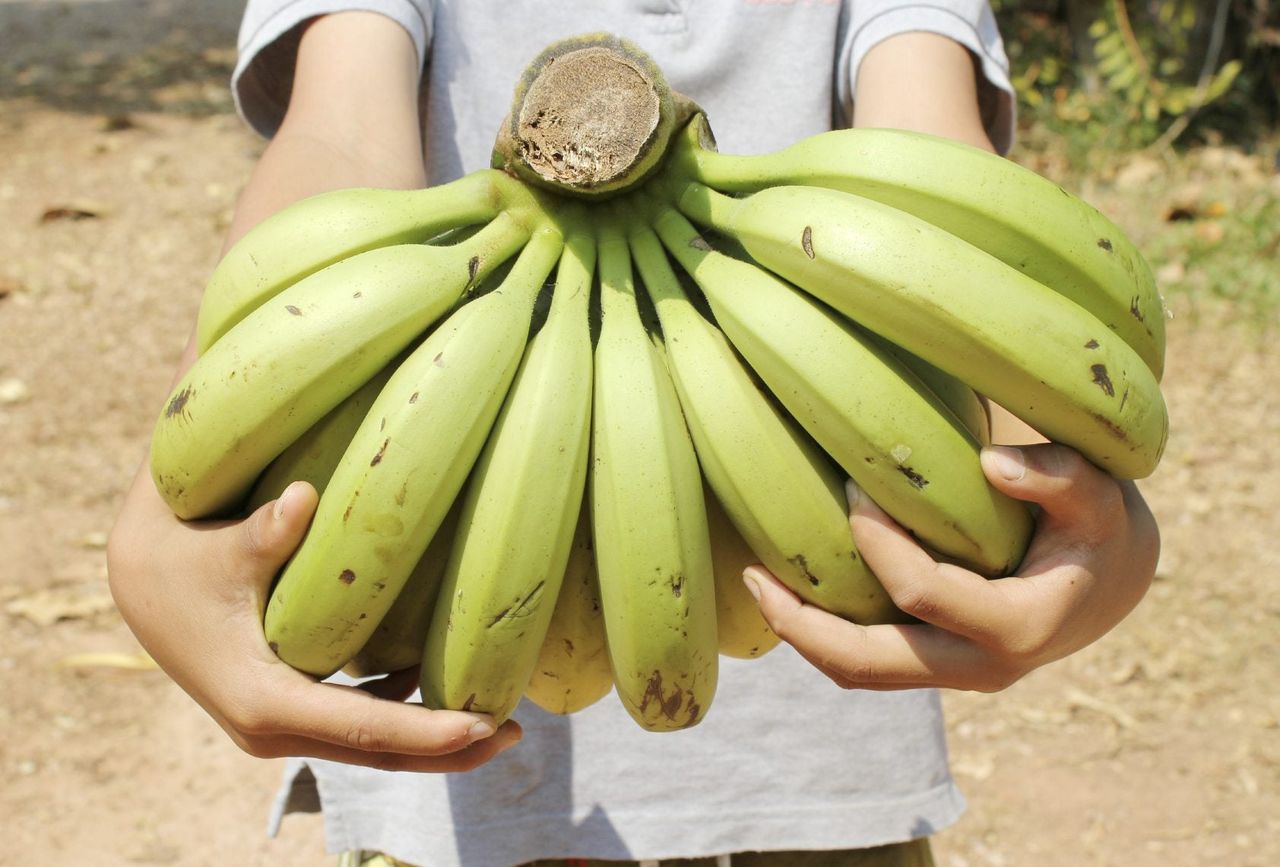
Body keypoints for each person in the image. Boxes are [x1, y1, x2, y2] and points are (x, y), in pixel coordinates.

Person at [106, 2, 1160, 865]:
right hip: (459, 776)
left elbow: (936, 206)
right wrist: (165, 514)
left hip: (826, 773)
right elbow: (339, 139)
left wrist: (1102, 543)